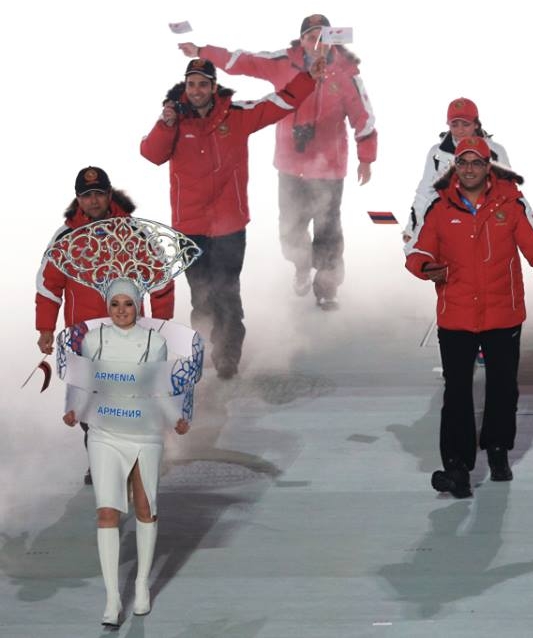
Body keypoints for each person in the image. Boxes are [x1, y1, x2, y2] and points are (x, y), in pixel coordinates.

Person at [179, 12, 377, 308]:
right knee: (291, 229)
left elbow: (363, 118)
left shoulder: (346, 74)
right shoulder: (284, 62)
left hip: (329, 169)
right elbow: (243, 61)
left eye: (323, 36)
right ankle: (300, 267)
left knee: (328, 230)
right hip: (290, 166)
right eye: (311, 36)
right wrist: (202, 53)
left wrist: (366, 158)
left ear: (333, 39)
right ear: (303, 39)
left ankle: (326, 291)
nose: (316, 42)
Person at [405, 137, 533, 498]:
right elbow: (419, 248)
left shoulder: (511, 204)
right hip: (456, 315)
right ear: (455, 168)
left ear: (488, 166)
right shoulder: (439, 209)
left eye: (476, 163)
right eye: (463, 163)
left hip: (503, 313)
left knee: (503, 387)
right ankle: (457, 468)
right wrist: (425, 266)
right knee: (457, 392)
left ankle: (497, 452)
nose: (469, 169)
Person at [141, 57, 322, 378]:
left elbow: (279, 102)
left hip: (229, 225)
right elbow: (151, 155)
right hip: (189, 228)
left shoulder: (236, 115)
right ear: (185, 86)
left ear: (213, 87)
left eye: (202, 84)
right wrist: (165, 123)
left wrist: (309, 77)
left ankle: (227, 355)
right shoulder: (174, 120)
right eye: (191, 84)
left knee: (226, 290)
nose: (196, 90)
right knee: (201, 296)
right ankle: (208, 347)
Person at [62, 278, 190, 628]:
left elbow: (160, 389)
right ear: (107, 305)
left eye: (128, 304)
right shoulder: (93, 340)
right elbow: (86, 383)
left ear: (138, 306)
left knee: (145, 507)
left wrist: (177, 418)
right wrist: (75, 410)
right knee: (107, 511)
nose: (121, 310)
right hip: (105, 433)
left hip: (145, 432)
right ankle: (112, 598)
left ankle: (141, 585)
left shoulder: (155, 342)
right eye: (115, 303)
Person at [35, 166, 174, 483]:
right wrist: (45, 329)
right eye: (87, 196)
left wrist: (161, 327)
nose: (94, 201)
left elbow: (161, 281)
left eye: (99, 194)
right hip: (83, 340)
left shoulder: (136, 234)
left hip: (129, 336)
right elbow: (48, 286)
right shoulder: (66, 238)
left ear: (110, 195)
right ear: (78, 200)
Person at [403, 97, 510, 243]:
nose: (460, 130)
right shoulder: (436, 154)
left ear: (476, 124)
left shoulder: (496, 152)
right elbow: (425, 193)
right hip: (447, 227)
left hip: (485, 227)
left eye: (465, 124)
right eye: (454, 124)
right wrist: (412, 229)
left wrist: (506, 228)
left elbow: (507, 193)